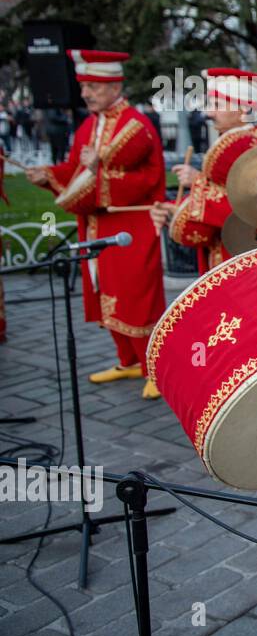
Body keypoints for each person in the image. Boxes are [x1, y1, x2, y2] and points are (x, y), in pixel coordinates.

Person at [26, 50, 167, 398]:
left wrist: (94, 170)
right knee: (104, 292)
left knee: (137, 297)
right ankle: (128, 360)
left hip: (131, 223)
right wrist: (47, 175)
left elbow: (138, 179)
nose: (86, 93)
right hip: (98, 223)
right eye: (84, 85)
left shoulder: (134, 126)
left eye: (93, 86)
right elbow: (76, 168)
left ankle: (156, 368)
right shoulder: (90, 124)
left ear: (113, 85)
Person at [149, 69, 257, 273]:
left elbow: (248, 203)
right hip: (227, 247)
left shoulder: (244, 144)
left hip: (238, 251)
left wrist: (197, 181)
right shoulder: (240, 140)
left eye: (218, 105)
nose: (209, 113)